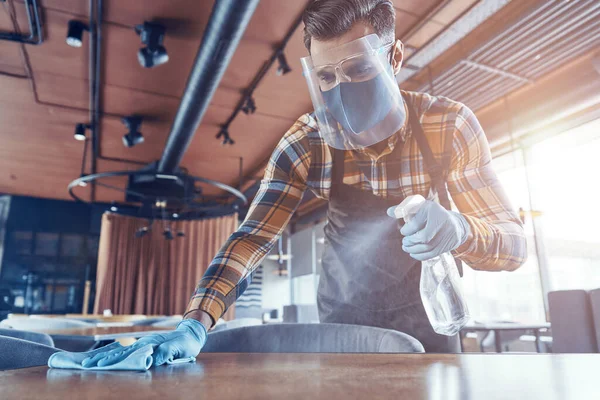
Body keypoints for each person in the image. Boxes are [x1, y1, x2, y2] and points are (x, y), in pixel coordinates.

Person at [83, 0, 527, 367]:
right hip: (343, 327)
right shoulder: (307, 142)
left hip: (430, 328)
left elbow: (513, 246)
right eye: (327, 77)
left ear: (393, 57)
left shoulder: (448, 126)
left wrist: (460, 230)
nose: (341, 90)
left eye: (357, 70)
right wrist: (196, 322)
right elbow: (251, 239)